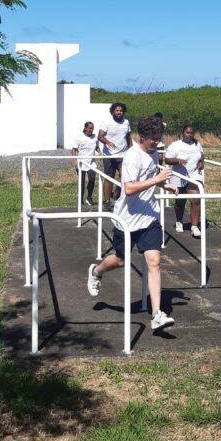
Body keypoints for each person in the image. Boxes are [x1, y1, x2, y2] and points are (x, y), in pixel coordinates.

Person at [87, 115, 175, 333]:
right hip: (127, 219)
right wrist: (157, 180)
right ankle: (96, 271)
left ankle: (157, 315)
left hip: (149, 216)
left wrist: (164, 185)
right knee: (120, 260)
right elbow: (129, 189)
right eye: (153, 139)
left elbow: (151, 178)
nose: (157, 142)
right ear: (142, 137)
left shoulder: (153, 152)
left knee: (154, 261)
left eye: (159, 138)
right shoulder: (132, 156)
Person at [165, 124, 204, 237]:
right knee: (180, 202)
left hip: (194, 175)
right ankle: (179, 221)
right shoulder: (175, 145)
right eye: (187, 132)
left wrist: (202, 162)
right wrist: (178, 161)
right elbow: (167, 160)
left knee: (196, 199)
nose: (190, 135)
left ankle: (194, 226)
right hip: (179, 176)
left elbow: (201, 155)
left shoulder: (197, 144)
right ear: (183, 133)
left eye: (192, 133)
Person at [98, 103, 132, 209]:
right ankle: (107, 201)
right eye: (117, 110)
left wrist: (131, 149)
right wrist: (107, 142)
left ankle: (119, 195)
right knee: (109, 177)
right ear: (113, 111)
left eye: (121, 111)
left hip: (123, 154)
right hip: (109, 155)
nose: (119, 112)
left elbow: (128, 136)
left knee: (124, 176)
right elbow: (100, 136)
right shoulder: (107, 122)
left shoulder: (126, 122)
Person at [71, 122, 100, 207]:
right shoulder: (79, 138)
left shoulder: (95, 137)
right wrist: (74, 160)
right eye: (90, 128)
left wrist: (100, 152)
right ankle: (80, 200)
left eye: (92, 128)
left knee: (92, 179)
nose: (91, 130)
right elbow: (74, 150)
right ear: (85, 128)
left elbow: (97, 147)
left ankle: (89, 197)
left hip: (91, 163)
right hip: (81, 163)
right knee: (82, 182)